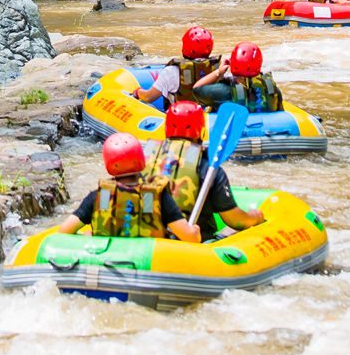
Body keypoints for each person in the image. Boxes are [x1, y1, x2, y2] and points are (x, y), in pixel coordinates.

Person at [50, 134, 202, 242]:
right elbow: (189, 237)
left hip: (105, 261)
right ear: (141, 161)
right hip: (151, 263)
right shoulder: (156, 195)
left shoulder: (98, 196)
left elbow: (64, 231)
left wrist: (88, 238)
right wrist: (195, 232)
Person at [150, 101, 265, 239]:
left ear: (166, 128)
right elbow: (235, 220)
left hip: (150, 237)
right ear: (202, 132)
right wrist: (255, 218)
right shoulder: (208, 168)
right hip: (192, 243)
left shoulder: (147, 158)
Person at [196, 42, 283, 112]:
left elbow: (196, 89)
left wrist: (218, 72)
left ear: (233, 64)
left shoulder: (224, 91)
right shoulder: (272, 89)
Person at [173, 24, 220, 102]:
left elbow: (148, 97)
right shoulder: (218, 68)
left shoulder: (172, 70)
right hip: (209, 112)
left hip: (182, 112)